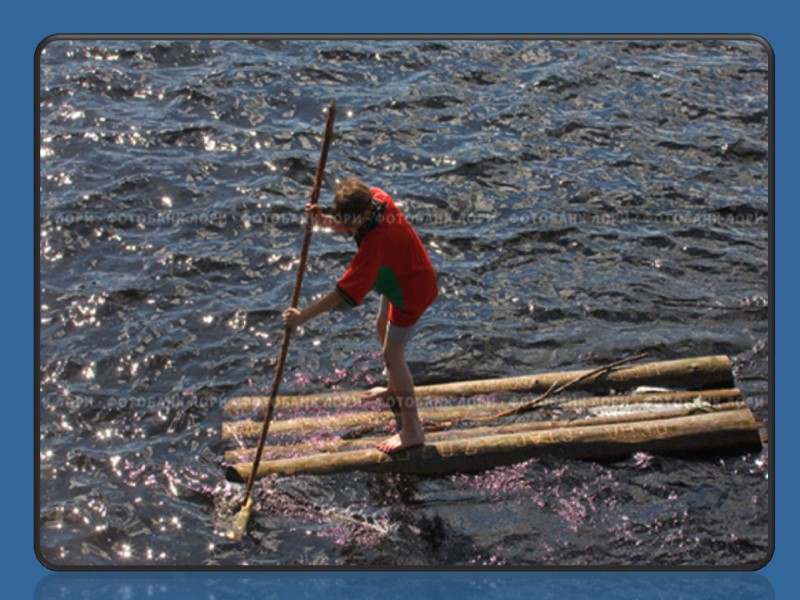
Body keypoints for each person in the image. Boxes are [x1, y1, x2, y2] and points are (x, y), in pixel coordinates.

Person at [283, 177, 438, 453]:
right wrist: (323, 220)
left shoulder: (373, 248)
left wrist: (302, 316)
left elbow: (341, 293)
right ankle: (393, 390)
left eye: (350, 226)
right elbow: (353, 222)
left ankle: (413, 431)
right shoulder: (377, 197)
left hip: (410, 294)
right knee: (381, 326)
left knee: (394, 356)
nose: (349, 231)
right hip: (400, 278)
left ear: (363, 215)